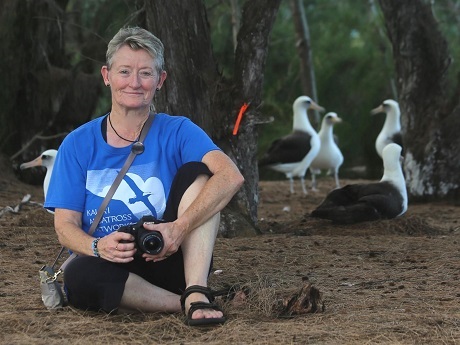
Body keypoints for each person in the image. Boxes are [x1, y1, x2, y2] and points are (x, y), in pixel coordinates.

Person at [44, 26, 244, 327]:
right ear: (106, 75)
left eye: (146, 74)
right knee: (79, 275)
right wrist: (99, 247)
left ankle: (195, 288)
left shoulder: (178, 130)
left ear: (160, 80)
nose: (134, 83)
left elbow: (231, 176)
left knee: (198, 172)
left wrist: (177, 229)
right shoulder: (77, 143)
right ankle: (186, 302)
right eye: (124, 71)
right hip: (113, 263)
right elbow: (65, 226)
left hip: (174, 255)